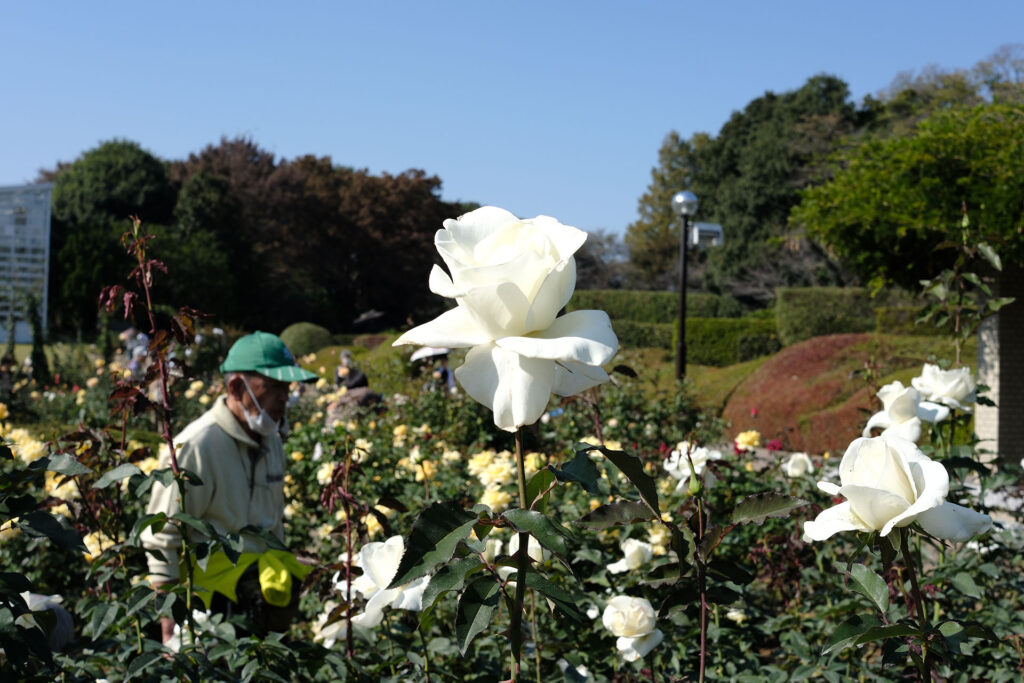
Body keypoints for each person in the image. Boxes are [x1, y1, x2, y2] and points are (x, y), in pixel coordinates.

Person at [142, 331, 318, 643]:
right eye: (274, 386)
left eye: (287, 387)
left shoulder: (270, 441)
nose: (284, 397)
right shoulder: (197, 445)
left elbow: (274, 524)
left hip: (263, 594)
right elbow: (161, 534)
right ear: (237, 387)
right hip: (210, 609)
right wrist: (169, 621)